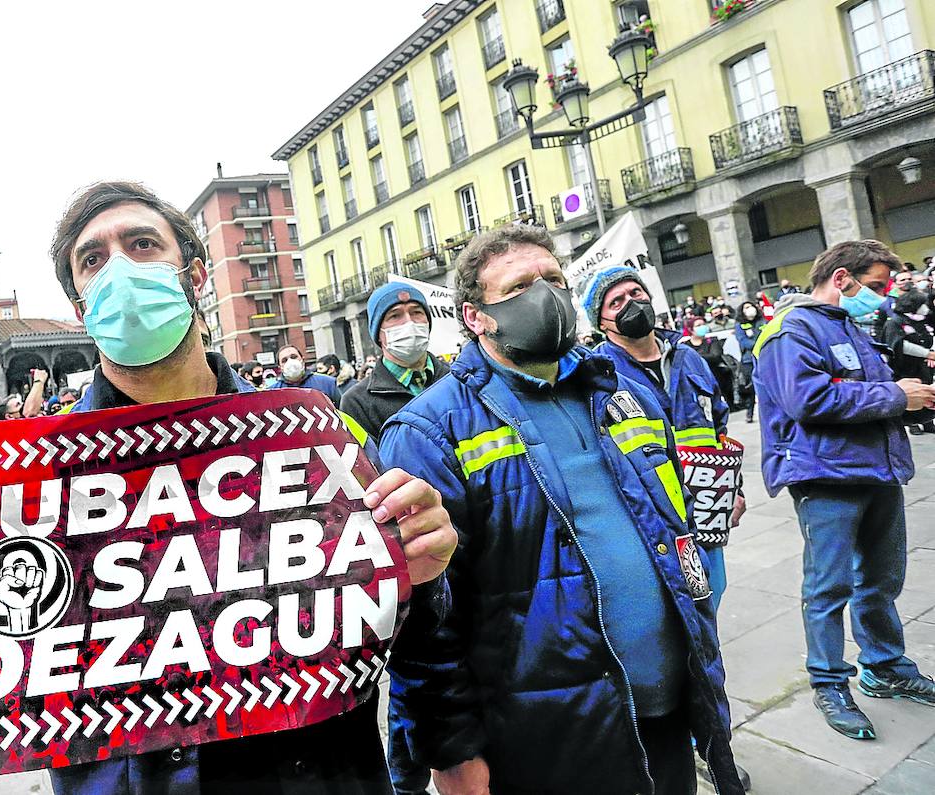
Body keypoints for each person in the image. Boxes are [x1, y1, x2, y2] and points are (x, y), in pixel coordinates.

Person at [0, 180, 458, 795]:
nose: (120, 269)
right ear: (82, 307)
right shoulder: (29, 479)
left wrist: (423, 572)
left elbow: (406, 630)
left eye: (142, 244)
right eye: (93, 259)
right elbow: (9, 665)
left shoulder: (310, 436)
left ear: (197, 276)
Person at [382, 226, 742, 795]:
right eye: (520, 286)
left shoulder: (623, 390)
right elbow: (424, 623)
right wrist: (451, 753)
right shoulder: (430, 429)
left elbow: (663, 520)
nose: (545, 295)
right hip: (550, 736)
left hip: (670, 707)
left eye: (553, 279)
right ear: (476, 317)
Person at [754, 239, 935, 742]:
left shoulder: (848, 327)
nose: (881, 298)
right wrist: (897, 394)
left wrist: (904, 391)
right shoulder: (790, 329)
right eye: (874, 286)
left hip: (876, 471)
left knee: (881, 580)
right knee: (828, 587)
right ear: (841, 279)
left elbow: (859, 391)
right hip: (826, 475)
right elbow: (807, 400)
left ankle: (885, 666)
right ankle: (830, 683)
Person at [584, 267, 744, 600]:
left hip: (705, 509)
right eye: (616, 302)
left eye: (635, 293)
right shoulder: (598, 373)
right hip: (650, 518)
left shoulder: (691, 358)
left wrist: (734, 492)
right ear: (602, 323)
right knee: (672, 606)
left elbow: (720, 426)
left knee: (710, 594)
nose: (631, 303)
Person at [342, 281, 451, 440]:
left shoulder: (456, 378)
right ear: (378, 332)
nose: (409, 322)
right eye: (395, 315)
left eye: (416, 312)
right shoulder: (356, 402)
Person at [882, 289, 935, 435]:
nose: (926, 307)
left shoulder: (922, 320)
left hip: (922, 366)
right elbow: (898, 345)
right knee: (912, 392)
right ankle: (912, 423)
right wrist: (927, 354)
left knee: (926, 389)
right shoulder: (895, 322)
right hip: (903, 367)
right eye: (923, 304)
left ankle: (927, 421)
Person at [684, 316, 735, 404]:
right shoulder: (685, 345)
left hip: (716, 375)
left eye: (703, 324)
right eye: (698, 325)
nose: (702, 327)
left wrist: (695, 357)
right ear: (691, 329)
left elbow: (715, 356)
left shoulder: (712, 341)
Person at [271, 344, 342, 404]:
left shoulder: (328, 383)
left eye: (294, 357)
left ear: (303, 360)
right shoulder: (272, 393)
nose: (290, 362)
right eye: (284, 360)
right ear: (280, 367)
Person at [734, 301, 763, 422]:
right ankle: (749, 413)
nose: (750, 309)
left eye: (751, 306)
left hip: (764, 357)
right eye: (746, 307)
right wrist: (760, 344)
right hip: (748, 360)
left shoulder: (762, 321)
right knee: (751, 388)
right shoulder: (740, 325)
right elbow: (743, 341)